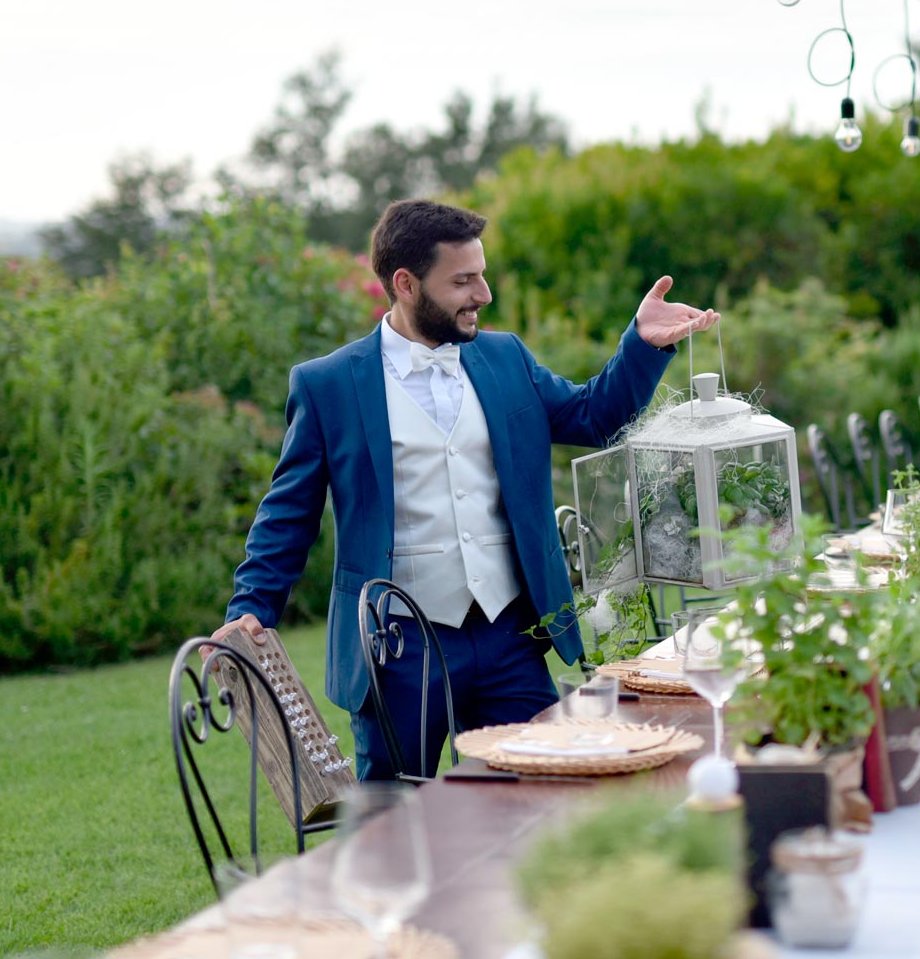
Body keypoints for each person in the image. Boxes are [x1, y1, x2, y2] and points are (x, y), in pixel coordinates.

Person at [213, 197, 717, 779]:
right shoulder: (329, 385)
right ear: (405, 283)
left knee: (545, 790)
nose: (483, 294)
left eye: (481, 275)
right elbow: (289, 512)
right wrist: (252, 606)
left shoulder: (505, 359)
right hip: (395, 649)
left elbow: (591, 417)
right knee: (393, 823)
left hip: (511, 638)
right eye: (463, 281)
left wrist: (642, 343)